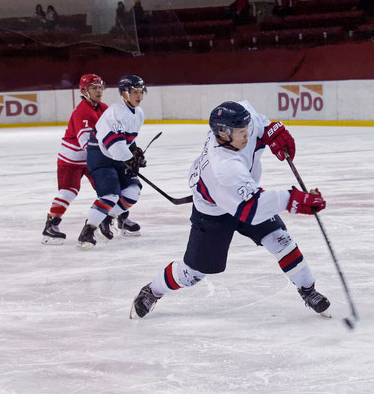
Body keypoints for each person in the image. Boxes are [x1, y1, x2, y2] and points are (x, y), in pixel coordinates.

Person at [129, 101, 330, 320]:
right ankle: (153, 290)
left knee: (279, 239)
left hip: (246, 195)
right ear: (223, 135)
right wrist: (294, 200)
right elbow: (252, 208)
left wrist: (273, 132)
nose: (247, 134)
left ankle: (308, 290)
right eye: (242, 132)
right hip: (214, 213)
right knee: (193, 274)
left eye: (246, 129)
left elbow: (258, 123)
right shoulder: (224, 168)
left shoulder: (238, 123)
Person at [77, 75, 147, 250]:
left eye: (140, 92)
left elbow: (126, 140)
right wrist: (129, 159)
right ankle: (88, 230)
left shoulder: (138, 113)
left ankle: (107, 219)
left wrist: (135, 152)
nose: (138, 95)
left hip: (117, 156)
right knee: (111, 195)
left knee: (133, 191)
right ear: (124, 94)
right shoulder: (115, 112)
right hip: (100, 155)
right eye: (134, 92)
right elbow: (114, 144)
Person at [42, 74, 108, 245]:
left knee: (108, 190)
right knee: (69, 191)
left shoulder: (103, 108)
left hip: (92, 158)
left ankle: (116, 219)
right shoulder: (82, 112)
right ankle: (51, 225)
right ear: (84, 91)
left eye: (100, 86)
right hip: (71, 160)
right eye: (94, 87)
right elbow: (87, 143)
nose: (98, 90)